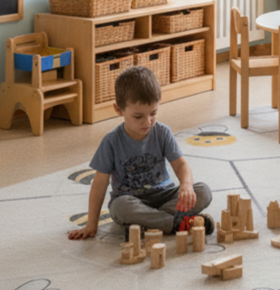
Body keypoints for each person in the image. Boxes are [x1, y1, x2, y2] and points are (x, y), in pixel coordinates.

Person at [68, 66, 212, 240]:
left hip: (164, 196)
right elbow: (99, 183)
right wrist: (91, 223)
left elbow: (181, 164)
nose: (148, 121)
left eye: (153, 113)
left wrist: (186, 185)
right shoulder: (111, 141)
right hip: (131, 201)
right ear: (118, 110)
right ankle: (174, 222)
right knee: (119, 207)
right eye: (138, 116)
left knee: (203, 190)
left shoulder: (162, 132)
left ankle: (152, 222)